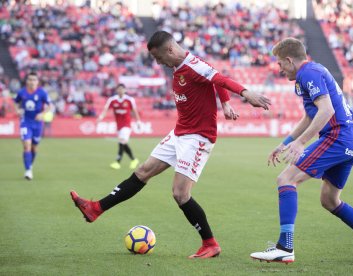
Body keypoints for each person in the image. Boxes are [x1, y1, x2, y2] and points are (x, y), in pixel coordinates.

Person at [70, 30, 270, 259]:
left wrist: (245, 93)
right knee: (143, 171)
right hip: (179, 133)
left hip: (198, 137)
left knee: (180, 194)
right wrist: (224, 104)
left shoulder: (193, 65)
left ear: (170, 50)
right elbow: (215, 79)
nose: (158, 63)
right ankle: (95, 209)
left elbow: (220, 79)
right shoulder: (179, 66)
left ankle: (210, 243)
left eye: (158, 58)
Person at [250, 38, 353, 263]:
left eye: (280, 63)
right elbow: (310, 116)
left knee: (286, 178)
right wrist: (286, 142)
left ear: (289, 60)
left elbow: (326, 111)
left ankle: (284, 247)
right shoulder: (305, 76)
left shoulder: (308, 73)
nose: (278, 68)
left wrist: (300, 143)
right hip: (352, 140)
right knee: (330, 200)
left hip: (338, 137)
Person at [14, 72, 51, 180]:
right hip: (25, 121)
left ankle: (29, 165)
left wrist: (42, 114)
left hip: (37, 123)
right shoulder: (22, 92)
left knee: (34, 148)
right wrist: (18, 110)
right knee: (26, 145)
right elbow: (16, 102)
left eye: (34, 80)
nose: (31, 82)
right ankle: (28, 170)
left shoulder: (42, 93)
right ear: (27, 81)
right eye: (29, 79)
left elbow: (50, 105)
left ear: (37, 81)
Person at [97, 83, 140, 170]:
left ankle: (117, 162)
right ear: (117, 90)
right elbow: (106, 109)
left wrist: (138, 121)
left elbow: (134, 111)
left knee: (122, 141)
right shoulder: (112, 100)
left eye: (122, 89)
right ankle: (133, 160)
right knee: (122, 143)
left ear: (125, 90)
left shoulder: (129, 100)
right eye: (119, 89)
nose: (120, 91)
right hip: (119, 125)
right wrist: (101, 117)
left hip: (126, 125)